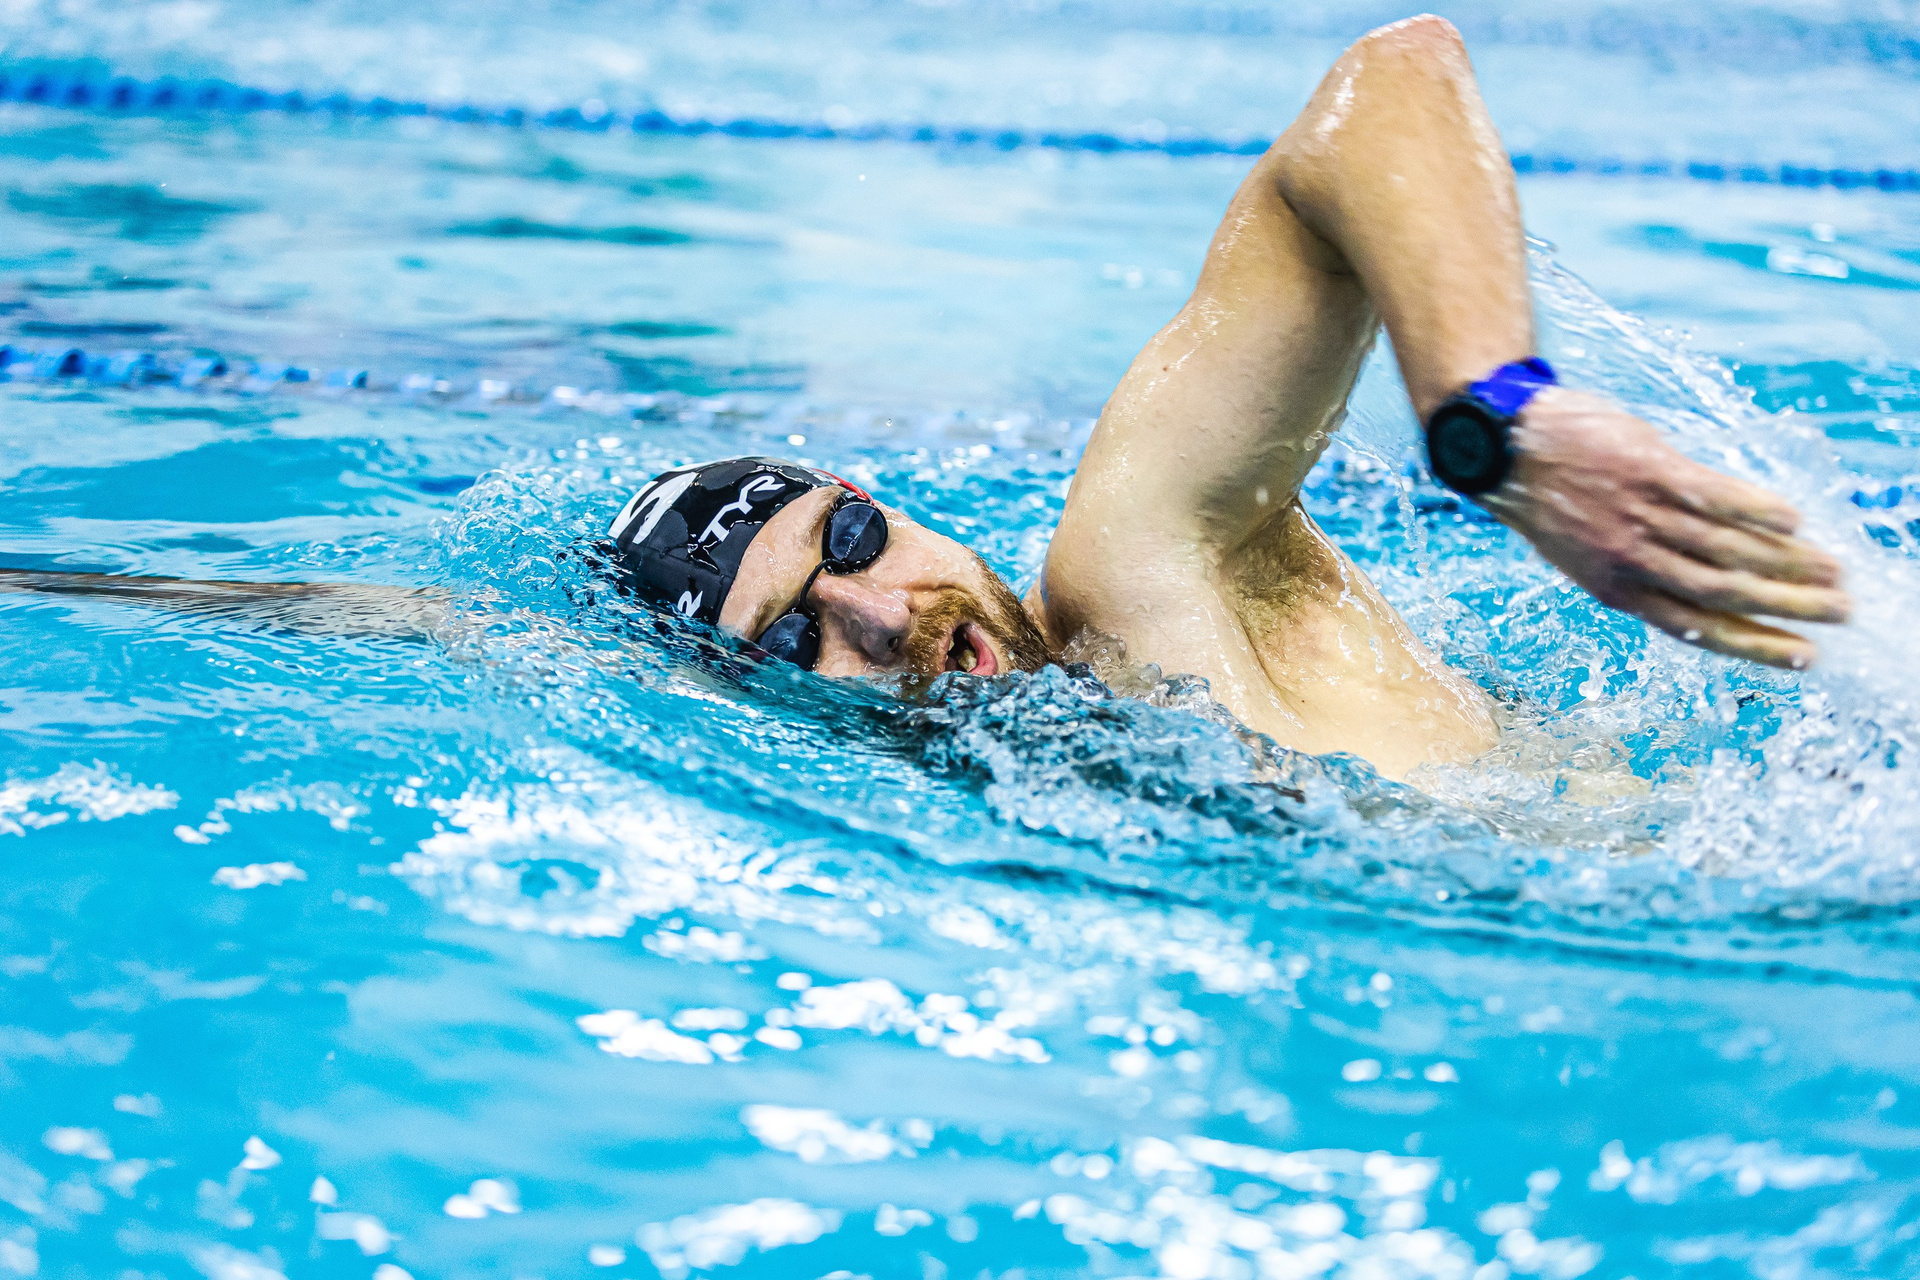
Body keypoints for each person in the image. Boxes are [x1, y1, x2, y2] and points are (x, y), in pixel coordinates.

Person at [0, 16, 1850, 781]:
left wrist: (1498, 418)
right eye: (797, 639)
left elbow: (1388, 85)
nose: (887, 617)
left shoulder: (1141, 569)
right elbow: (463, 632)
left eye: (856, 537)